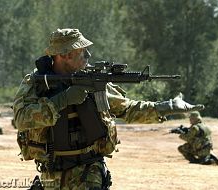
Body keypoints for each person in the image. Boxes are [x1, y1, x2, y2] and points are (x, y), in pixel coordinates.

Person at [13, 28, 205, 189]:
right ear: (65, 55)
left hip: (89, 172)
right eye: (82, 51)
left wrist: (168, 107)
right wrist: (62, 100)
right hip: (51, 174)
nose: (88, 55)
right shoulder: (37, 82)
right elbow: (21, 119)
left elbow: (127, 109)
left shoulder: (92, 81)